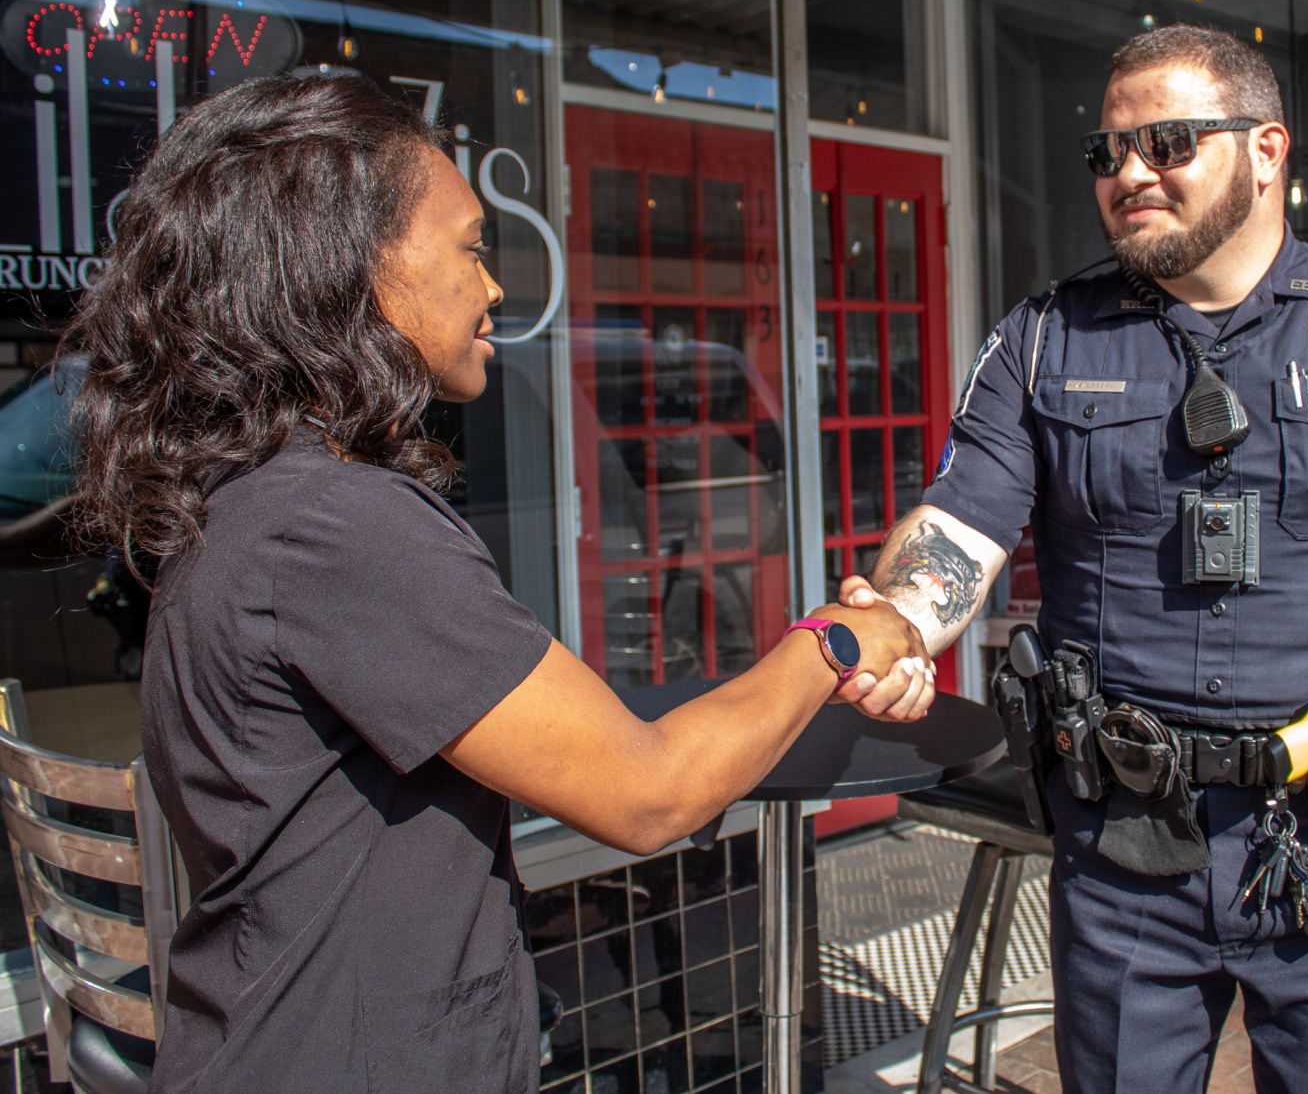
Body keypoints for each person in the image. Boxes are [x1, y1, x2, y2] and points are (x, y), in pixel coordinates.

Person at [63, 74, 931, 1094]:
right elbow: (646, 792)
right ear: (350, 267)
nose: (495, 287)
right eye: (470, 247)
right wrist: (832, 639)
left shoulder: (248, 493)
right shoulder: (338, 524)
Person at [839, 24, 1308, 1093]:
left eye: (1168, 142)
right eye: (1107, 153)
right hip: (1121, 842)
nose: (1128, 174)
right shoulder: (1045, 340)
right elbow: (959, 528)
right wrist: (903, 620)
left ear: (1267, 149)